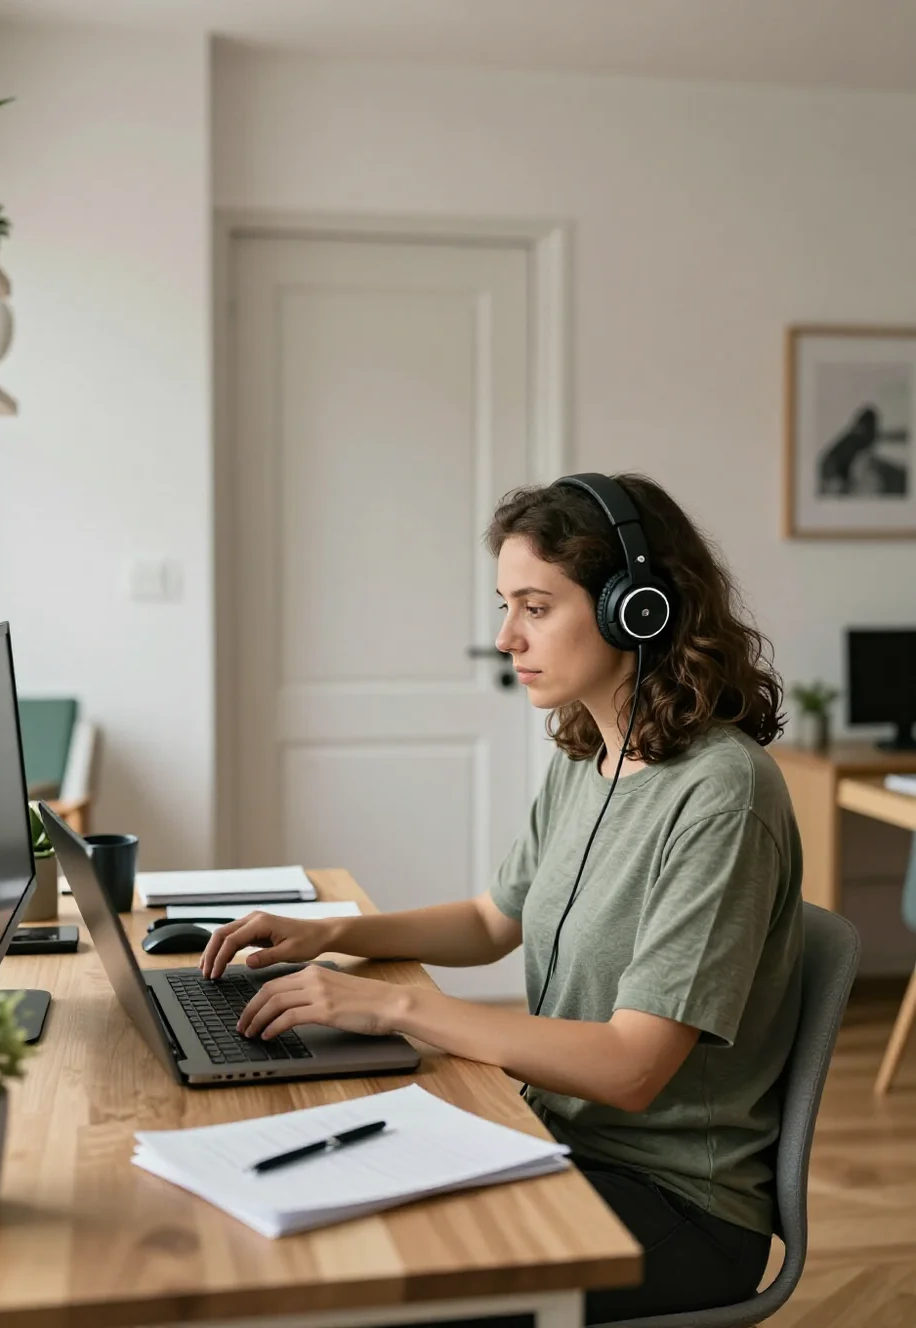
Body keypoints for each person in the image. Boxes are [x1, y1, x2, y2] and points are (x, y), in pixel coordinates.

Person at [201, 473, 803, 1325]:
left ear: (641, 608)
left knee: (363, 1281)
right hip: (545, 1140)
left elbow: (631, 1069)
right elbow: (494, 921)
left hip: (673, 1205)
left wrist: (398, 1006)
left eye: (535, 606)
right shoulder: (587, 755)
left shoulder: (722, 795)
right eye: (503, 605)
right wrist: (331, 931)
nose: (507, 637)